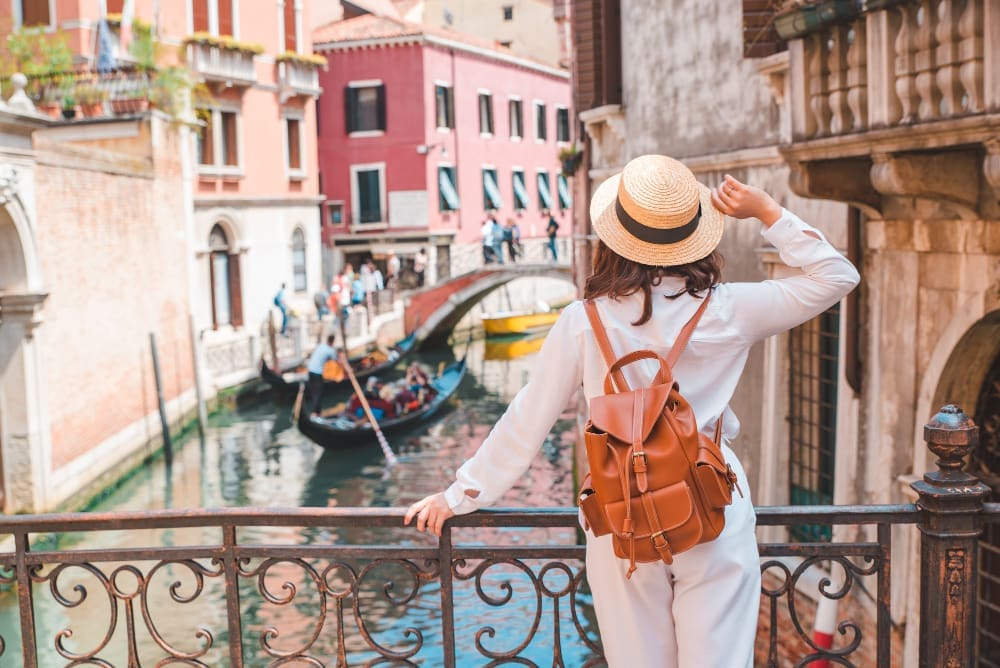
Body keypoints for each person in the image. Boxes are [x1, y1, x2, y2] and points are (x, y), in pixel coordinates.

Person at [404, 155, 860, 667]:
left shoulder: (583, 320)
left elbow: (529, 415)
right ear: (696, 237)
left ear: (616, 238)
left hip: (620, 508)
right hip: (711, 502)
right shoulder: (731, 308)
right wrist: (769, 211)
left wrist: (460, 493)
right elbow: (836, 275)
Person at [305, 335, 339, 416]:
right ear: (333, 341)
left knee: (313, 392)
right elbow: (334, 359)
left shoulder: (321, 345)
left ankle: (317, 411)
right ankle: (315, 413)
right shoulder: (331, 350)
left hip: (310, 371)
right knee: (318, 393)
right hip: (317, 373)